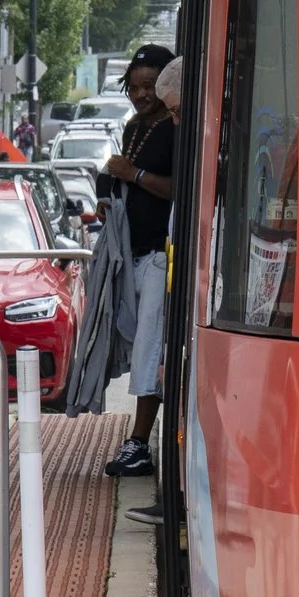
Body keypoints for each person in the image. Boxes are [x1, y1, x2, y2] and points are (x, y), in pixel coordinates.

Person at [102, 44, 176, 478]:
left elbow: (182, 189)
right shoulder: (135, 127)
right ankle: (141, 440)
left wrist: (135, 176)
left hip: (160, 256)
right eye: (135, 86)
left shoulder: (176, 128)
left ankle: (140, 442)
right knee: (138, 343)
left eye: (150, 86)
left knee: (149, 347)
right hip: (132, 253)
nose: (141, 94)